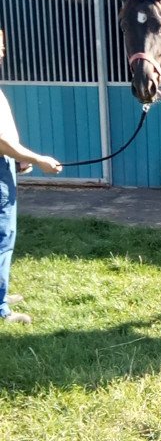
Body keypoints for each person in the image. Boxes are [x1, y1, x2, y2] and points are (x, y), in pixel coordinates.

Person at [0, 29, 63, 324]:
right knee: (3, 236)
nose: (2, 53)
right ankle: (1, 308)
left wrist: (18, 159)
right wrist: (37, 159)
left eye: (2, 47)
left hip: (6, 164)